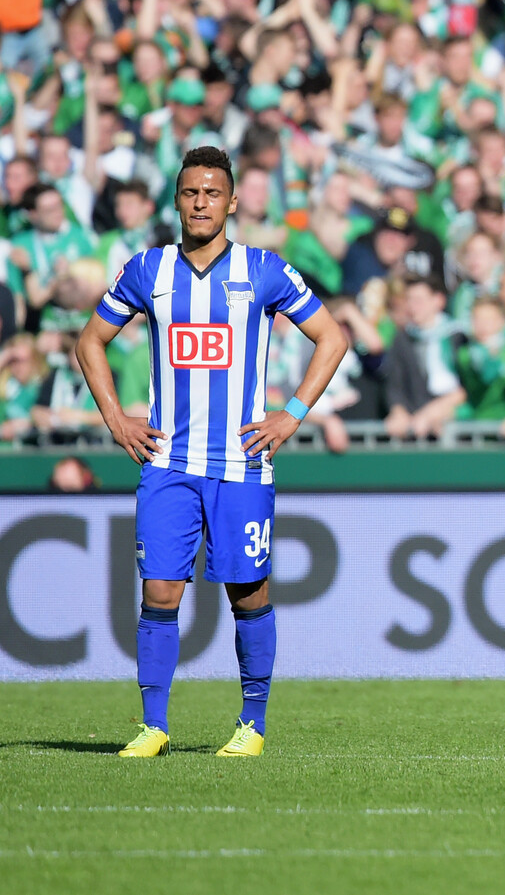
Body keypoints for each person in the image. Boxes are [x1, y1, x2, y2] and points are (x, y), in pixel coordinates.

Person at [76, 146, 347, 759]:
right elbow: (90, 341)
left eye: (212, 193)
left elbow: (332, 337)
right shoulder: (148, 271)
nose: (201, 203)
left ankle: (252, 724)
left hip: (242, 464)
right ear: (177, 200)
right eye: (190, 193)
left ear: (230, 202)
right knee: (160, 593)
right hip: (169, 465)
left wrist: (294, 413)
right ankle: (154, 725)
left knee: (248, 593)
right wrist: (118, 421)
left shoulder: (264, 270)